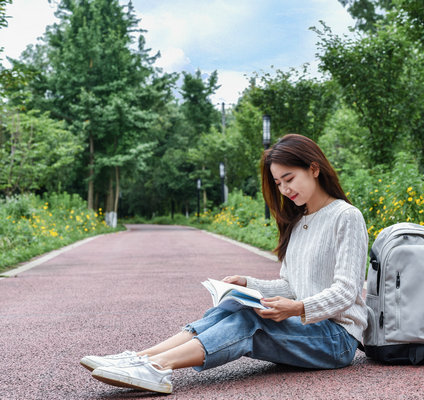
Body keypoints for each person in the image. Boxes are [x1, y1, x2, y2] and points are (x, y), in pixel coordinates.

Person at [81, 133, 369, 394]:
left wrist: (296, 308)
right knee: (234, 303)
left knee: (249, 319)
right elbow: (292, 285)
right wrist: (248, 284)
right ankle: (142, 357)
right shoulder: (298, 220)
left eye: (289, 178)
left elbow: (346, 291)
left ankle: (158, 367)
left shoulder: (346, 217)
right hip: (306, 327)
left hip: (335, 339)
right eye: (278, 183)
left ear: (314, 169)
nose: (284, 189)